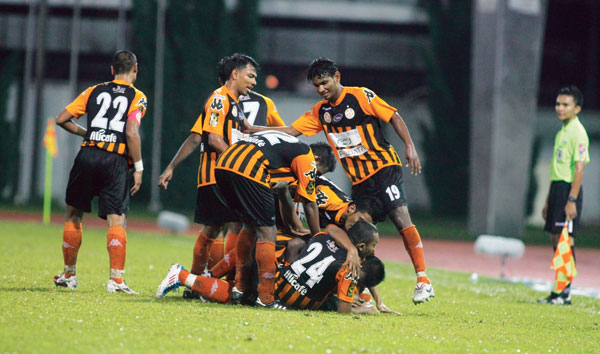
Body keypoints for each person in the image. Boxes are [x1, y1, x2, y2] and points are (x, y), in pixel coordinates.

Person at [248, 57, 434, 304]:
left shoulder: (361, 96)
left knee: (400, 218)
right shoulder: (321, 112)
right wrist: (254, 130)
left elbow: (394, 117)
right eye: (316, 86)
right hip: (360, 182)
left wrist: (409, 146)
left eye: (324, 83)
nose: (321, 89)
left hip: (384, 168)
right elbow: (292, 131)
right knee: (358, 232)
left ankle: (423, 279)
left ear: (337, 77)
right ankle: (362, 291)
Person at [52, 50, 147, 293]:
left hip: (87, 155)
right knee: (117, 219)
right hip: (114, 160)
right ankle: (115, 280)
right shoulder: (138, 97)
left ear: (112, 70)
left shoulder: (93, 91)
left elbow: (62, 119)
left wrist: (88, 133)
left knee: (74, 215)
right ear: (135, 69)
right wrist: (138, 167)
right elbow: (132, 132)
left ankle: (69, 275)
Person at [157, 53, 257, 280]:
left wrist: (171, 167)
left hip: (228, 174)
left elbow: (195, 137)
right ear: (235, 74)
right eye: (250, 76)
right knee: (224, 226)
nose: (254, 82)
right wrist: (241, 163)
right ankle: (200, 280)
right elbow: (212, 139)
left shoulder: (235, 104)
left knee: (225, 226)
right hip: (216, 174)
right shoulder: (219, 99)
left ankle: (206, 281)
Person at [156, 220, 384, 314]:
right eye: (374, 244)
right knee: (239, 294)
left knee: (241, 292)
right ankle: (183, 275)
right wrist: (359, 309)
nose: (375, 248)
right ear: (362, 246)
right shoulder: (349, 266)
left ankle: (192, 279)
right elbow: (342, 312)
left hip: (277, 279)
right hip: (280, 292)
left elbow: (315, 236)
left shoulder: (324, 235)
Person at [214, 130, 322, 308]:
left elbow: (284, 196)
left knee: (248, 225)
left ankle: (239, 289)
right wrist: (318, 239)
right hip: (249, 169)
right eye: (317, 174)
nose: (313, 178)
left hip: (224, 164)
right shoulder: (306, 156)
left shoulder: (285, 151)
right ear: (316, 160)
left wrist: (293, 225)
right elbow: (310, 205)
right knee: (267, 231)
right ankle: (266, 298)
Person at [539, 85, 590, 305]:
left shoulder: (578, 132)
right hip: (557, 190)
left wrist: (571, 200)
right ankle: (559, 289)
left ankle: (564, 293)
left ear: (577, 108)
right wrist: (548, 199)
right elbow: (556, 168)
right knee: (555, 238)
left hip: (568, 191)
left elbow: (579, 169)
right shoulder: (562, 131)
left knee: (565, 241)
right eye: (558, 103)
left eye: (565, 104)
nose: (559, 108)